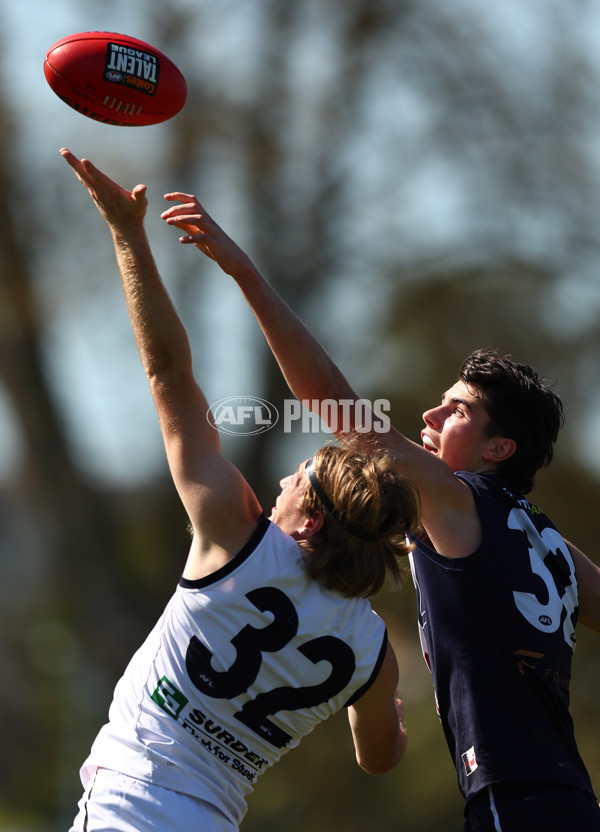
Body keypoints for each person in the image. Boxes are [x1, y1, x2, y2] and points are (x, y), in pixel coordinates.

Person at [159, 190, 600, 831]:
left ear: (499, 448)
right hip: (572, 798)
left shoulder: (457, 497)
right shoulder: (550, 542)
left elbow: (333, 400)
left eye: (459, 411)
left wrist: (246, 274)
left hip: (516, 799)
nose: (430, 415)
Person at [60, 149, 421, 832]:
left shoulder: (238, 538)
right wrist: (390, 712)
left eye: (299, 480)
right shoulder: (372, 653)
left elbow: (169, 376)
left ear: (311, 522)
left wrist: (127, 233)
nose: (282, 479)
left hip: (128, 810)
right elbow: (381, 757)